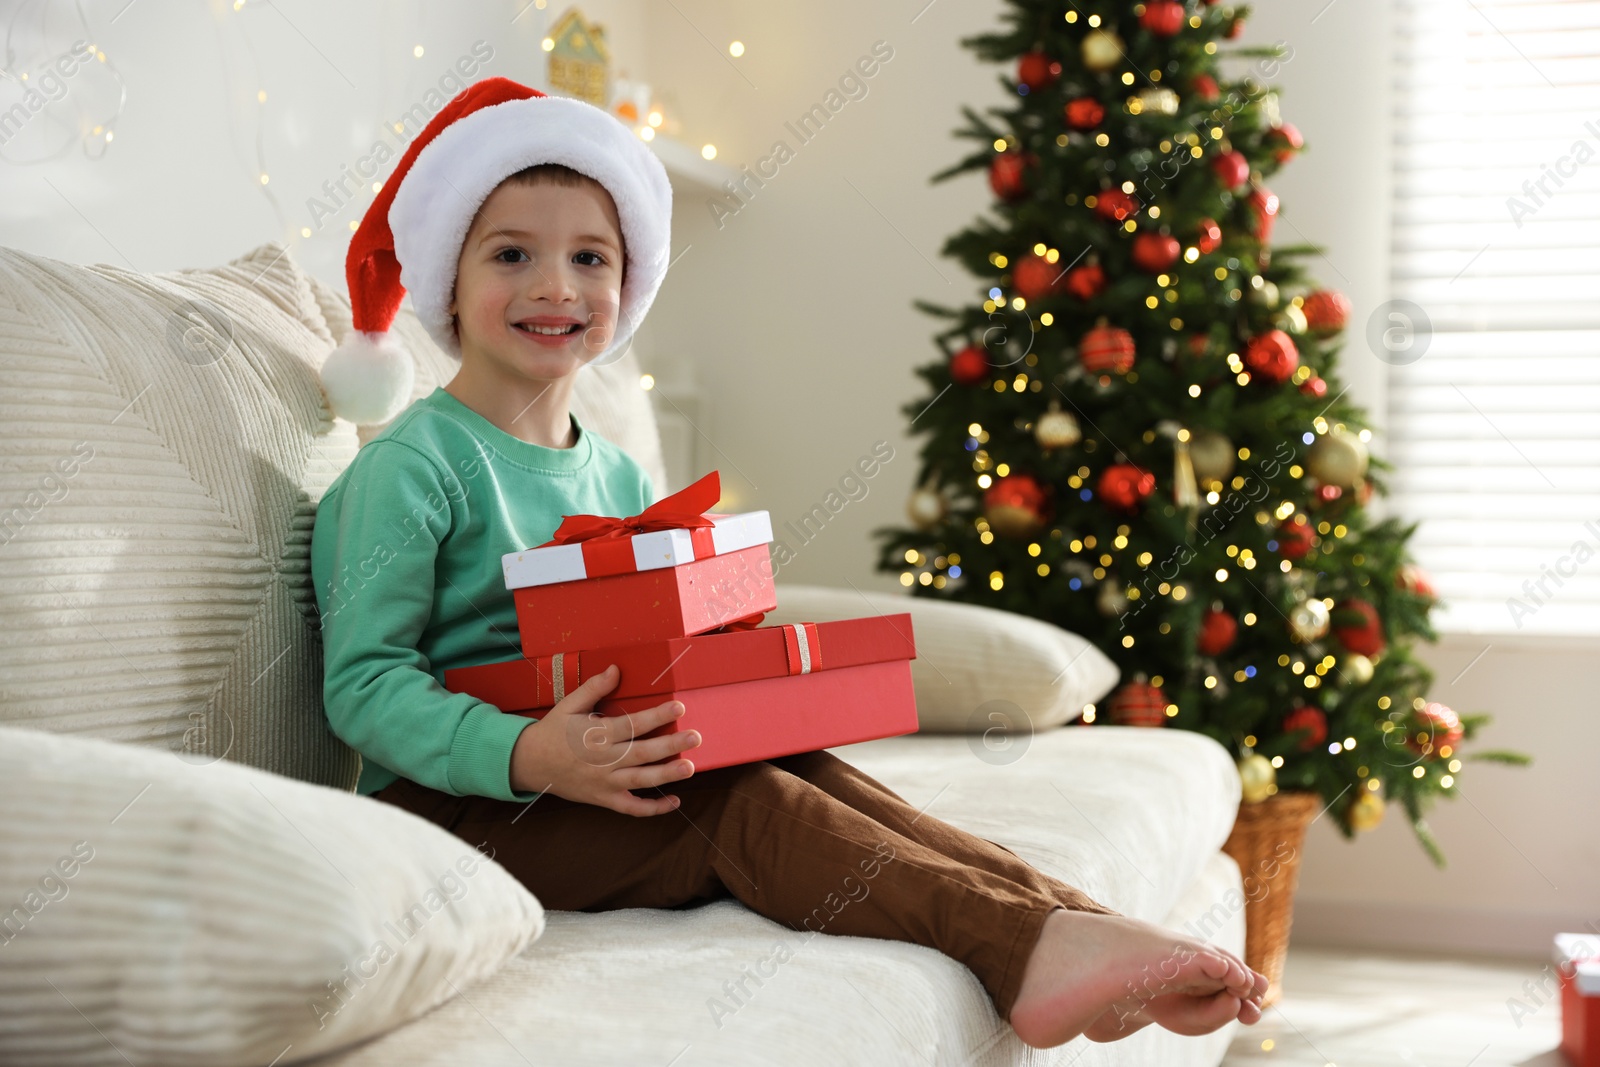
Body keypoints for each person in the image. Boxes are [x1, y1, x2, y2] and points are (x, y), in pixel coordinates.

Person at [308, 76, 1268, 1051]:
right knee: (737, 800)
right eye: (511, 254)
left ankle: (1066, 915)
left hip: (612, 754)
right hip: (461, 810)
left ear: (625, 286)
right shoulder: (412, 466)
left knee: (796, 760)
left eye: (589, 257)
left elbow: (654, 633)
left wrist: (730, 670)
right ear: (447, 281)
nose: (556, 285)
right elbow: (366, 684)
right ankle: (1024, 948)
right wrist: (529, 753)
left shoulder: (618, 467)